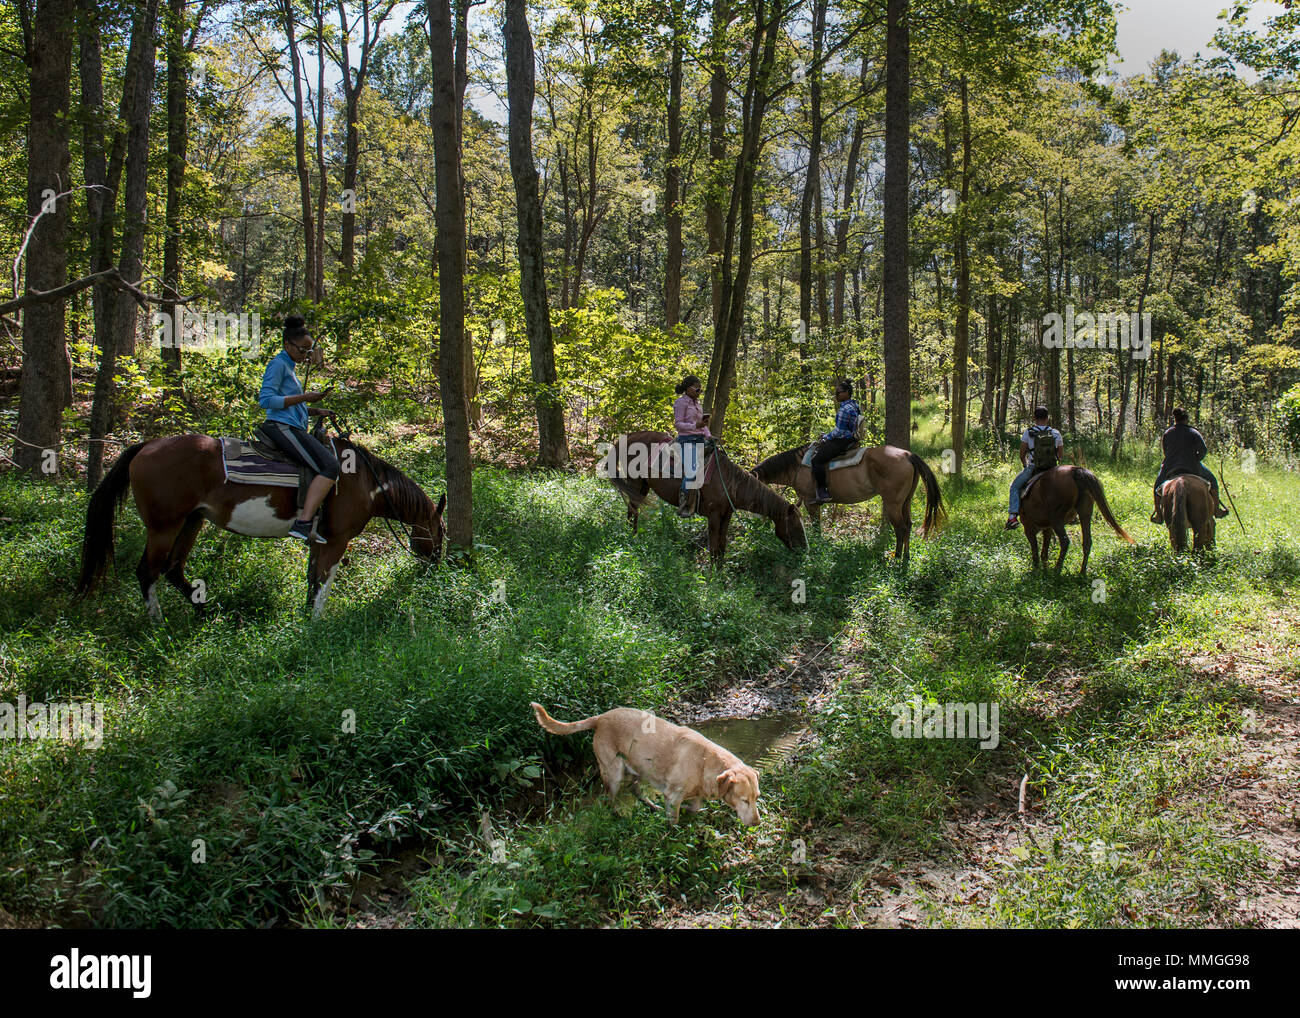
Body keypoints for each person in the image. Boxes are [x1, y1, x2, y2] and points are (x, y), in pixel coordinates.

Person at [258, 315, 339, 543]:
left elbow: (291, 404)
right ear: (287, 345)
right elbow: (266, 400)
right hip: (282, 428)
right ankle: (303, 523)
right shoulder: (278, 364)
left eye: (308, 351)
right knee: (331, 466)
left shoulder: (290, 367)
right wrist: (305, 397)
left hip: (292, 425)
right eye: (303, 350)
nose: (306, 355)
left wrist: (316, 410)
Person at [1151, 407, 1229, 523]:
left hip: (1170, 467)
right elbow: (1203, 450)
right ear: (1186, 419)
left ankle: (1158, 514)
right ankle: (1216, 510)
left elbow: (1165, 451)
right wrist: (1196, 459)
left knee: (1157, 487)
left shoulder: (1167, 433)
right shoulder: (1193, 432)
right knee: (1213, 482)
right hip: (1192, 466)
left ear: (1175, 419)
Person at [1006, 406, 1065, 530]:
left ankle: (1012, 517)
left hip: (1034, 467)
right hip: (1052, 468)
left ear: (1034, 418)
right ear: (1047, 418)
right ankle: (1071, 514)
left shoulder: (1029, 432)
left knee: (1015, 487)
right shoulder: (1055, 433)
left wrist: (1026, 466)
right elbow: (1060, 455)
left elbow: (1022, 454)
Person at [809, 379, 861, 506]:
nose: (836, 395)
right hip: (852, 437)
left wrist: (826, 437)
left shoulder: (844, 409)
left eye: (838, 393)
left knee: (817, 459)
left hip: (844, 439)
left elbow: (839, 431)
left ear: (847, 393)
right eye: (836, 393)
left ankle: (822, 492)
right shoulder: (854, 405)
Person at [672, 375, 711, 518]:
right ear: (688, 389)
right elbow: (678, 424)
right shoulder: (681, 403)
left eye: (701, 389)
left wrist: (709, 436)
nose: (699, 391)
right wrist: (695, 426)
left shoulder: (697, 404)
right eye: (697, 388)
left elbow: (703, 425)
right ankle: (684, 501)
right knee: (692, 469)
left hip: (700, 439)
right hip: (687, 440)